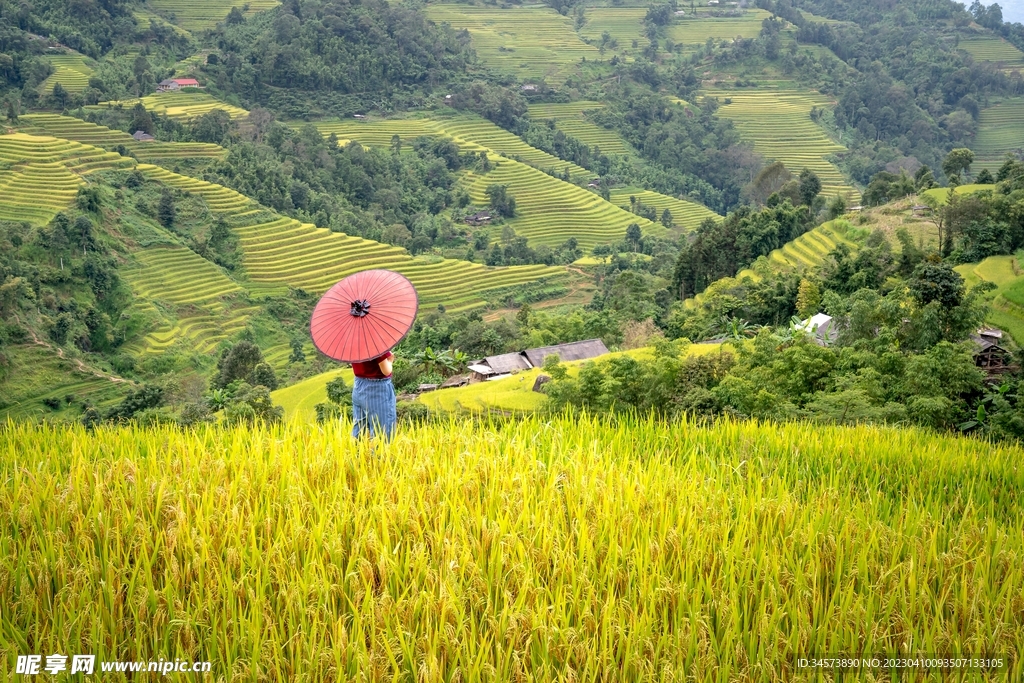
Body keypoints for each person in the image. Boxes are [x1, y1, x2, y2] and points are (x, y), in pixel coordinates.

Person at [350, 349, 397, 439]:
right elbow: (386, 371)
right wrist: (390, 360)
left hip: (358, 385)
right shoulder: (374, 344)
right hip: (376, 389)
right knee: (383, 433)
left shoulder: (353, 341)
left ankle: (354, 453)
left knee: (359, 432)